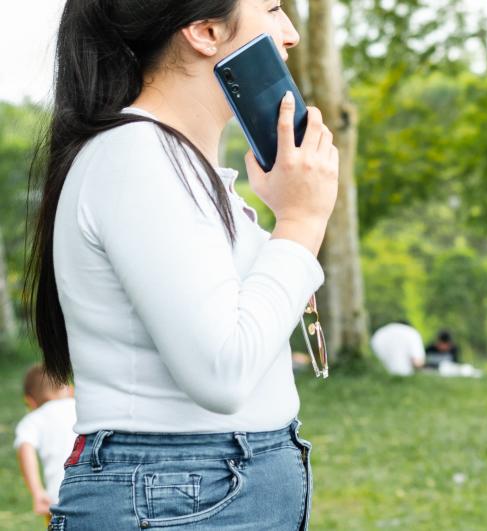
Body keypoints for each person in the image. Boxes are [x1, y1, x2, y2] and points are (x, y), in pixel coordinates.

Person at [26, 0, 339, 528]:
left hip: (198, 486)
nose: (290, 34)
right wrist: (300, 222)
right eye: (273, 9)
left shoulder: (169, 161)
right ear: (206, 31)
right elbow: (221, 371)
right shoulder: (137, 156)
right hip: (179, 490)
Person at [14, 365, 77, 522]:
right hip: (98, 491)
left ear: (30, 401)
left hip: (59, 499)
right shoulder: (82, 408)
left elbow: (25, 447)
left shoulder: (34, 419)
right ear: (70, 390)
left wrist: (37, 491)